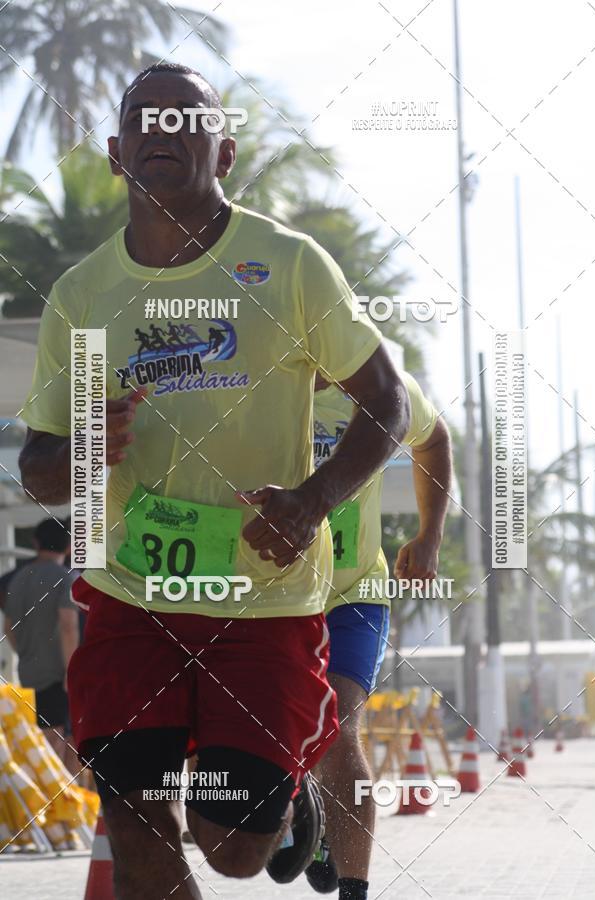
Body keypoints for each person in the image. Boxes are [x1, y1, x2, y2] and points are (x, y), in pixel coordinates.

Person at [18, 62, 411, 899]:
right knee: (131, 816)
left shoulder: (289, 266)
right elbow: (39, 467)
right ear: (118, 153)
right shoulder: (82, 295)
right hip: (131, 592)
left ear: (224, 151)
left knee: (232, 844)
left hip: (263, 597)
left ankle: (290, 792)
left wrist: (311, 503)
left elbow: (387, 405)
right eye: (143, 118)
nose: (162, 129)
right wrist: (81, 452)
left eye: (184, 117)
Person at [306, 370, 452, 900]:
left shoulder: (383, 382)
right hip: (270, 595)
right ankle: (310, 811)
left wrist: (429, 534)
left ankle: (354, 889)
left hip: (354, 591)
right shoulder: (254, 373)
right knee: (276, 734)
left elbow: (433, 437)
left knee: (340, 729)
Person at [3, 518, 79, 766]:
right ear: (69, 547)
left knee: (41, 746)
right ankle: (63, 803)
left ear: (35, 543)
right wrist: (72, 670)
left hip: (29, 672)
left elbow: (8, 628)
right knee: (62, 746)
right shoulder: (67, 578)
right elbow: (68, 625)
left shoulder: (17, 579)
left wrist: (26, 653)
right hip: (60, 675)